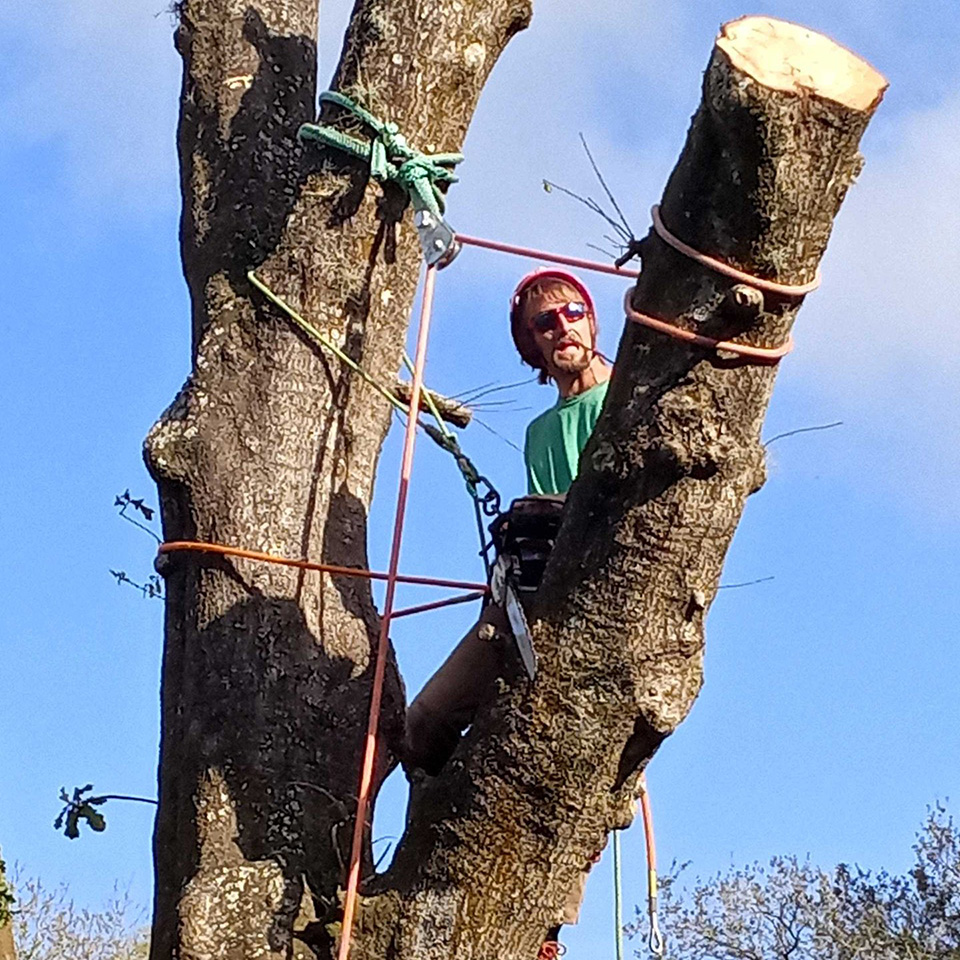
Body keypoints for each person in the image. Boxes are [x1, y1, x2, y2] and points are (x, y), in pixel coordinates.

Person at [402, 269, 612, 958]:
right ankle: (426, 859)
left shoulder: (626, 397)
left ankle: (546, 927)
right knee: (427, 721)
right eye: (543, 325)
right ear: (531, 347)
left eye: (571, 313)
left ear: (593, 319)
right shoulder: (541, 431)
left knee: (566, 755)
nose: (562, 330)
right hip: (523, 600)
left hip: (596, 607)